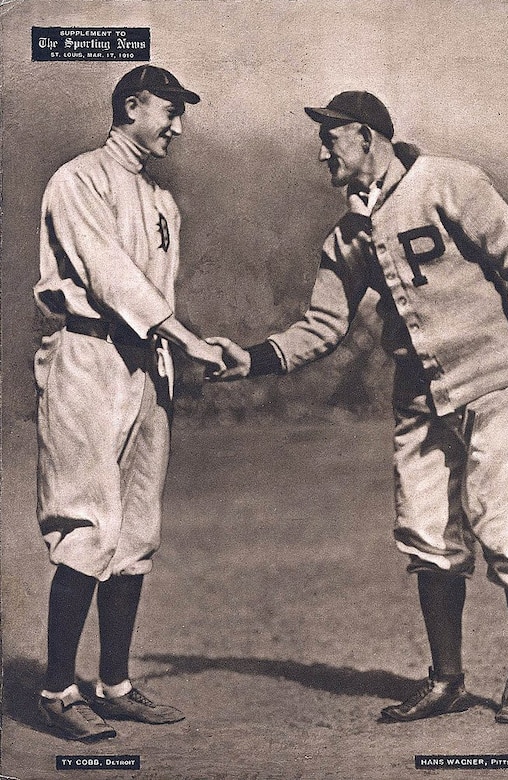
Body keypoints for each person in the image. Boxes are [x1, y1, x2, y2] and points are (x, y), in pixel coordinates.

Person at [206, 90, 508, 725]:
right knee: (426, 534)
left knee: (506, 524)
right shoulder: (347, 237)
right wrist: (252, 358)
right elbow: (322, 325)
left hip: (494, 382)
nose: (323, 152)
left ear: (367, 137)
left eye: (332, 138)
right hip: (420, 400)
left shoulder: (449, 182)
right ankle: (446, 679)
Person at [34, 65, 223, 742]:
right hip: (87, 360)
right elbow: (110, 276)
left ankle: (112, 684)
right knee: (88, 523)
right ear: (131, 106)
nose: (176, 125)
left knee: (136, 531)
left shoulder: (163, 201)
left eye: (180, 113)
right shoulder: (78, 178)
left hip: (145, 366)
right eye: (168, 111)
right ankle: (57, 689)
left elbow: (155, 295)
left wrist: (185, 351)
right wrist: (184, 336)